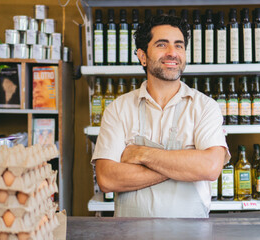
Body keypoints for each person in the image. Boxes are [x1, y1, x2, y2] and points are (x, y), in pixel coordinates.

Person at [92, 14, 230, 218]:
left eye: (179, 45)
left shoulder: (204, 107)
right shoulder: (118, 109)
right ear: (142, 56)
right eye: (162, 45)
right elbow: (107, 179)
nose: (172, 53)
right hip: (131, 234)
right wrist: (184, 167)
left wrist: (140, 154)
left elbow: (209, 168)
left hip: (190, 234)